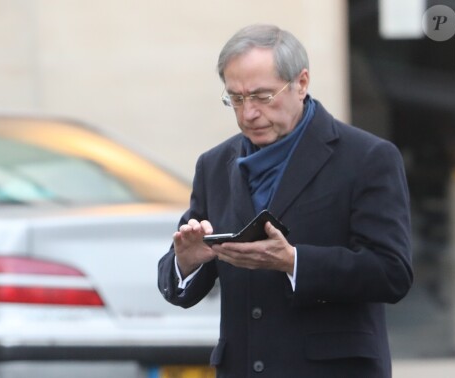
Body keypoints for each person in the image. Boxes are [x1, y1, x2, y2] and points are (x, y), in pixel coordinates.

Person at [157, 24, 413, 378]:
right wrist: (185, 263)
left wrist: (294, 262)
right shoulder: (214, 165)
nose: (248, 113)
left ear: (301, 83)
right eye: (236, 98)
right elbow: (179, 286)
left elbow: (392, 273)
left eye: (262, 96)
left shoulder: (368, 157)